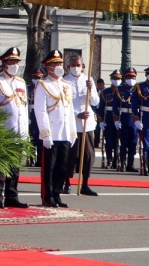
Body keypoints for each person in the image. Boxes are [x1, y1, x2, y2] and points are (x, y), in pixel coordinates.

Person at [0, 47, 29, 208]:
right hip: (2, 131)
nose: (15, 65)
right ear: (4, 63)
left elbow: (23, 108)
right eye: (11, 62)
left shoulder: (21, 82)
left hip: (18, 131)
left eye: (17, 61)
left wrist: (25, 132)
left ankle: (12, 195)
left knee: (14, 167)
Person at [34, 50, 75, 208]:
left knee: (62, 166)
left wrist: (72, 132)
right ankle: (47, 196)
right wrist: (45, 133)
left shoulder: (66, 85)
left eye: (59, 64)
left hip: (64, 132)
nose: (58, 67)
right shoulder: (43, 85)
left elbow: (69, 109)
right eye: (54, 64)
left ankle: (57, 194)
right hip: (51, 132)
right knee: (49, 167)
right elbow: (41, 110)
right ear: (48, 67)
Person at [63, 54, 99, 195]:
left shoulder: (88, 80)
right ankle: (67, 182)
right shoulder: (65, 82)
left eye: (78, 65)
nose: (76, 67)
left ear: (83, 66)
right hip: (72, 123)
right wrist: (76, 114)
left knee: (88, 154)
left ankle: (85, 183)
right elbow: (64, 104)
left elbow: (96, 102)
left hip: (87, 124)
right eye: (73, 65)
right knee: (70, 155)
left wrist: (90, 90)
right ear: (68, 67)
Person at [110, 67, 140, 173]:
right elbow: (115, 106)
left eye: (133, 77)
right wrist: (116, 119)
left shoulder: (138, 89)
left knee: (133, 142)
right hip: (123, 118)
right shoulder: (119, 90)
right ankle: (122, 163)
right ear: (125, 78)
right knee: (123, 142)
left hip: (134, 119)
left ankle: (130, 164)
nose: (131, 79)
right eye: (129, 77)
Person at [100, 70, 122, 170]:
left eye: (118, 78)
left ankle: (117, 161)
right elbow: (101, 108)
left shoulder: (123, 91)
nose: (116, 80)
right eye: (114, 78)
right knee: (109, 141)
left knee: (119, 141)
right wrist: (100, 121)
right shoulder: (105, 92)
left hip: (121, 119)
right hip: (108, 119)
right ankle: (109, 160)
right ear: (111, 79)